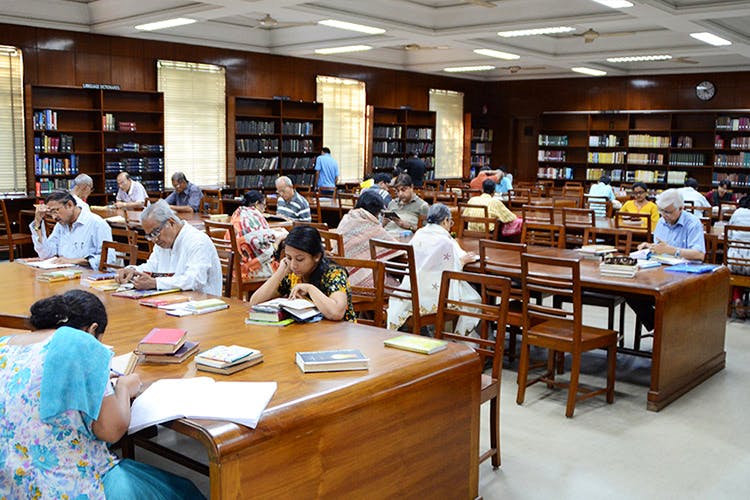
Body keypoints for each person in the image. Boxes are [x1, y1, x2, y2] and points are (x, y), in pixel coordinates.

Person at [0, 290, 204, 499]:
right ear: (92, 330)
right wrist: (123, 387)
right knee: (184, 491)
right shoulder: (80, 343)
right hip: (65, 486)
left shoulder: (6, 345)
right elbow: (112, 430)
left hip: (11, 484)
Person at [386, 204, 480, 333]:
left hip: (412, 291)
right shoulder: (444, 240)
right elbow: (449, 269)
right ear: (445, 220)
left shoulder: (419, 233)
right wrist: (462, 261)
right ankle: (455, 337)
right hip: (435, 295)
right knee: (474, 299)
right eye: (450, 221)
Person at [628, 188, 706, 332]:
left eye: (668, 212)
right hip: (661, 270)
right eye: (661, 211)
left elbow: (699, 254)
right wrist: (649, 247)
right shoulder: (662, 221)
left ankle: (666, 329)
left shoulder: (693, 223)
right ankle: (659, 326)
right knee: (631, 290)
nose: (664, 215)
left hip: (684, 276)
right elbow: (659, 247)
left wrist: (673, 251)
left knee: (665, 296)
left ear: (681, 208)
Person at [115, 199, 222, 295]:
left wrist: (155, 283)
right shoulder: (162, 241)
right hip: (171, 301)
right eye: (150, 235)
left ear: (171, 222)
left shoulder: (197, 241)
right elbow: (152, 267)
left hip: (200, 307)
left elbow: (194, 280)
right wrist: (132, 271)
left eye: (156, 232)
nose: (154, 239)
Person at [249, 225, 355, 321]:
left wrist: (310, 289)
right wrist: (280, 272)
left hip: (339, 335)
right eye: (289, 257)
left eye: (299, 259)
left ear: (317, 256)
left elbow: (336, 313)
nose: (293, 265)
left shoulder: (334, 274)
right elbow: (255, 302)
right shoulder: (291, 273)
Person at [30, 190, 113, 269]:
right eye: (50, 213)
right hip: (65, 274)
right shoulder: (61, 225)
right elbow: (46, 254)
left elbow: (108, 259)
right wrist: (38, 222)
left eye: (55, 211)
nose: (53, 217)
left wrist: (75, 261)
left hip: (88, 277)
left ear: (69, 205)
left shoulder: (97, 224)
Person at [336, 190, 398, 287]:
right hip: (369, 287)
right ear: (377, 211)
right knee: (398, 285)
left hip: (342, 281)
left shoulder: (347, 218)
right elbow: (397, 247)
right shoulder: (372, 226)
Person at [229, 190, 285, 280]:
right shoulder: (256, 215)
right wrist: (279, 239)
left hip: (237, 267)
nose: (264, 208)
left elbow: (253, 234)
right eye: (264, 205)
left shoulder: (238, 213)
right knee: (285, 267)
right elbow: (266, 251)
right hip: (252, 271)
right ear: (257, 203)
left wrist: (271, 231)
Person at [726, 194, 750, 318]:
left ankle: (736, 298)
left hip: (734, 262)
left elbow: (729, 237)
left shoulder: (737, 213)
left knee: (739, 271)